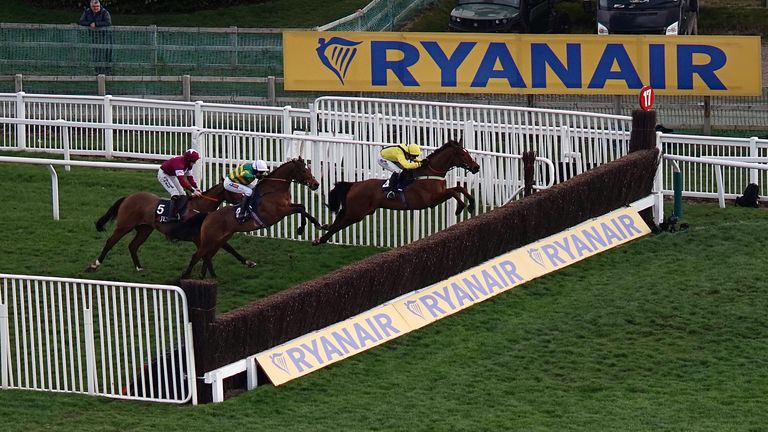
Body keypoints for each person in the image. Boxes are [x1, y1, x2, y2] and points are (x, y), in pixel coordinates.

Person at [158, 149, 202, 221]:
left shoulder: (189, 165)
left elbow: (190, 178)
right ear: (188, 160)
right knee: (175, 194)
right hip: (164, 174)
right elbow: (182, 180)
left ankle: (180, 212)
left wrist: (197, 188)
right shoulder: (179, 164)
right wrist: (193, 191)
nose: (195, 163)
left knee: (183, 194)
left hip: (172, 175)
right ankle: (171, 215)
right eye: (194, 161)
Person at [79, 0, 113, 75]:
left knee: (107, 52)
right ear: (91, 7)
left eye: (97, 6)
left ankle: (108, 70)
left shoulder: (105, 12)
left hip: (106, 35)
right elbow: (81, 21)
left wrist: (96, 24)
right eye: (94, 6)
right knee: (96, 53)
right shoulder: (87, 12)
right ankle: (97, 70)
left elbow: (108, 22)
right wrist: (90, 23)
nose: (96, 8)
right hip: (94, 36)